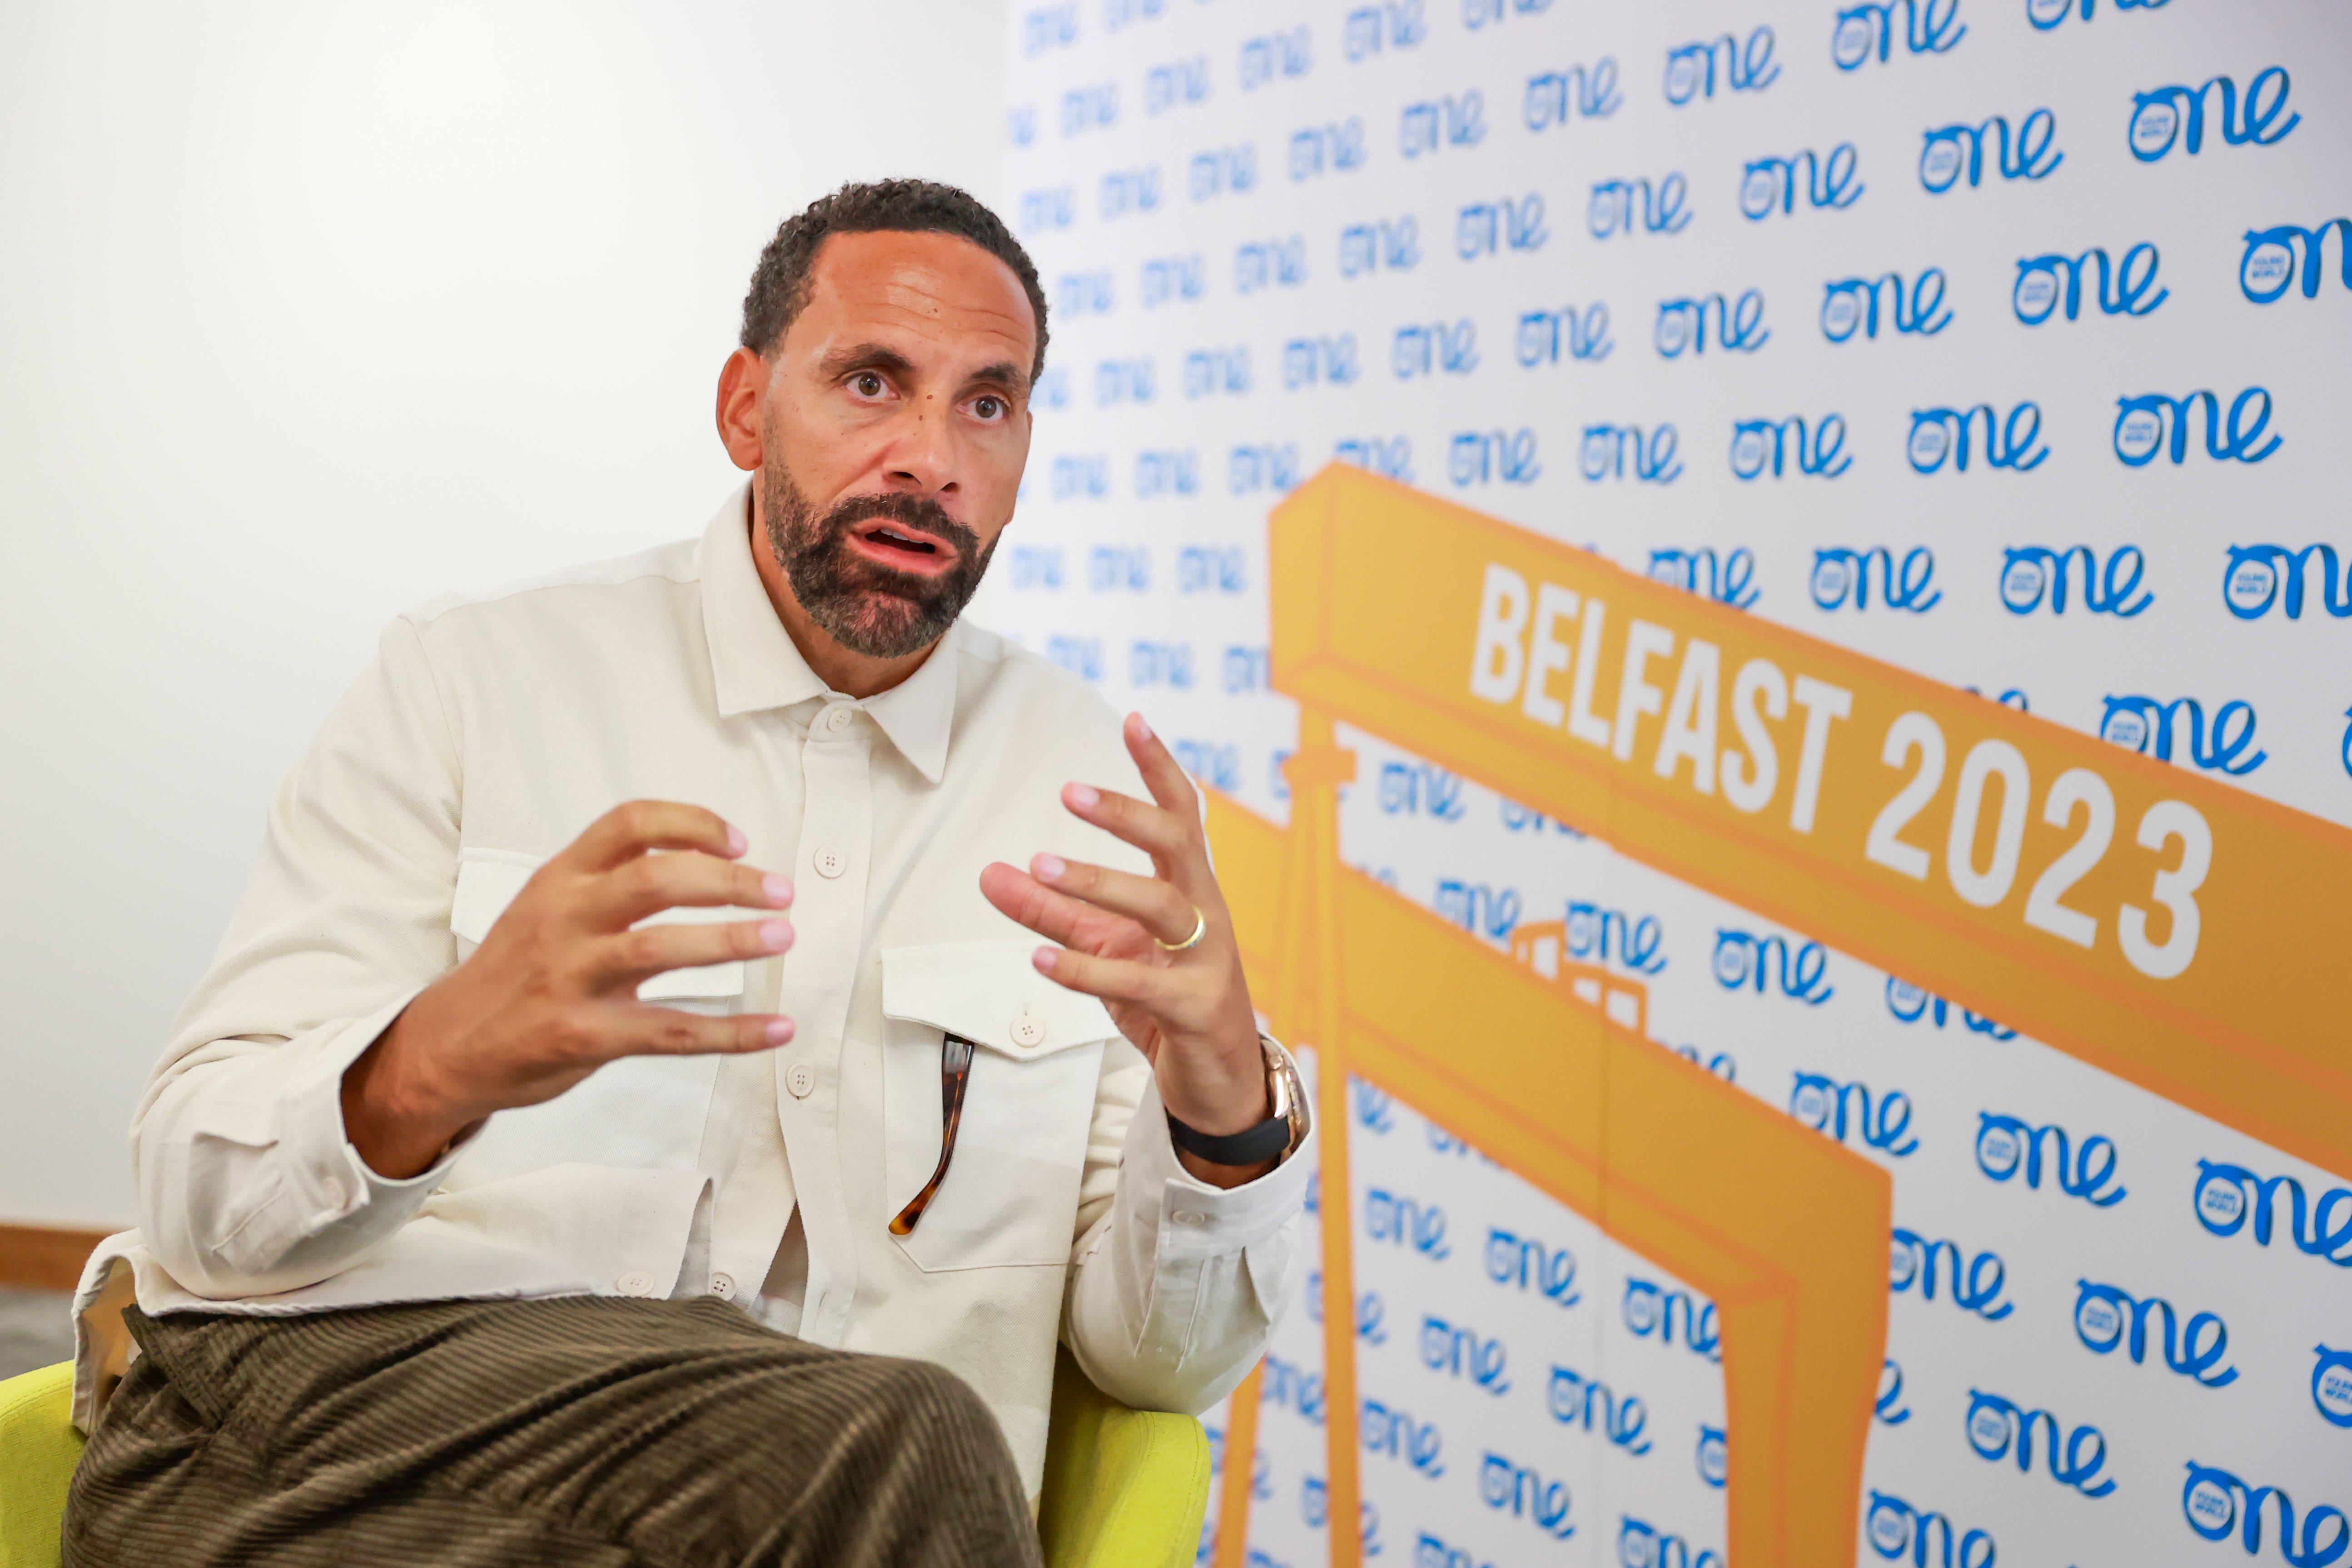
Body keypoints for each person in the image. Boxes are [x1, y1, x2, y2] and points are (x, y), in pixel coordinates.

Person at [62, 179, 1312, 1568]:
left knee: (897, 1434)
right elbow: (195, 1196)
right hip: (348, 1435)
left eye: (987, 403)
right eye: (870, 381)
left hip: (816, 1512)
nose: (928, 453)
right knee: (907, 1432)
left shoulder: (1082, 778)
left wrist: (1225, 1118)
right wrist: (432, 1064)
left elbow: (1156, 1372)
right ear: (744, 408)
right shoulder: (472, 678)